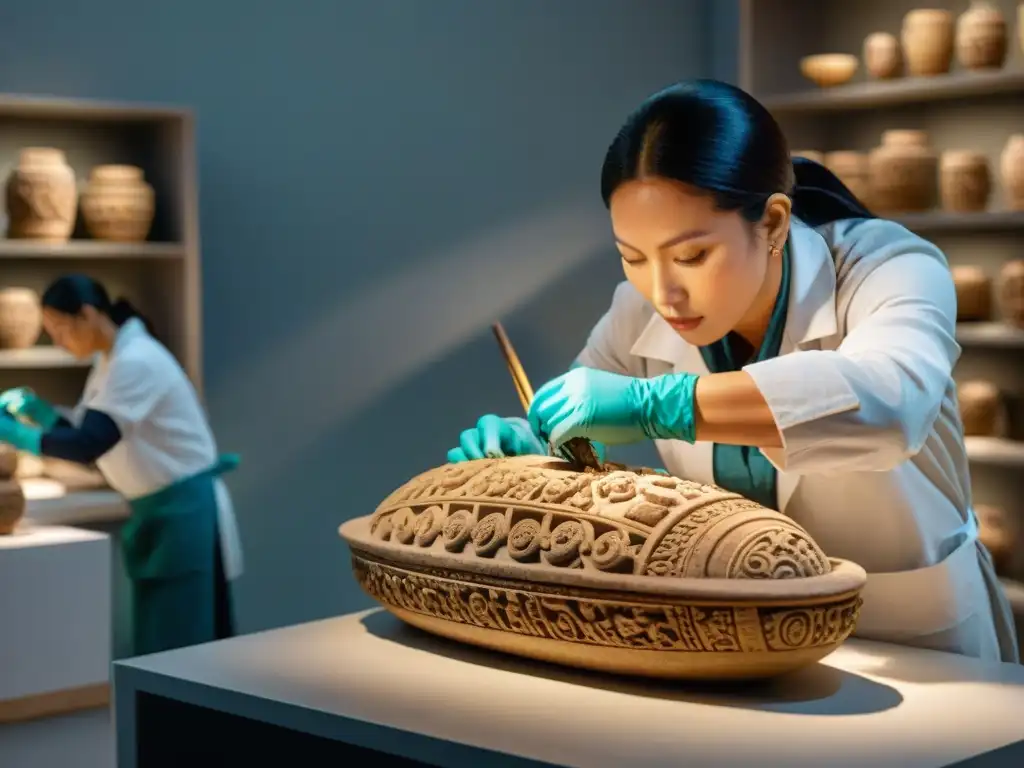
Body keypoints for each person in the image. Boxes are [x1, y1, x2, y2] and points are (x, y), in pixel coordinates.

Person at [447, 79, 1019, 664]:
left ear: (771, 223)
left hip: (910, 642)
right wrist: (528, 443)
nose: (663, 292)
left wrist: (659, 404)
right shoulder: (638, 309)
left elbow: (894, 405)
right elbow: (578, 419)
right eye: (633, 257)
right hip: (739, 640)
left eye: (692, 255)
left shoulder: (889, 267)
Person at [0, 274, 243, 656]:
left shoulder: (137, 361)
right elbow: (91, 430)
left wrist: (15, 433)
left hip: (184, 515)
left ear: (87, 315)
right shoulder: (110, 360)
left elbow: (89, 443)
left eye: (60, 330)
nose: (59, 344)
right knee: (157, 648)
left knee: (185, 649)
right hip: (159, 516)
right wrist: (41, 415)